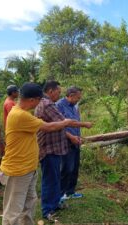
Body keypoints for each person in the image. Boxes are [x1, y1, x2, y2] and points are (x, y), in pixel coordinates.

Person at [0, 82, 83, 225]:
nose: (40, 104)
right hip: (18, 170)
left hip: (28, 167)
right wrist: (66, 122)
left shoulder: (23, 113)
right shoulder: (20, 115)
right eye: (39, 100)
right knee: (13, 210)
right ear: (33, 100)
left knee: (29, 203)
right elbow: (48, 127)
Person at [34, 81, 92, 221]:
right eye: (58, 91)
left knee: (55, 178)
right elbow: (64, 122)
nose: (60, 94)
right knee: (52, 179)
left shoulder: (53, 104)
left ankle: (55, 204)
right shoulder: (49, 105)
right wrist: (84, 125)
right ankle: (47, 209)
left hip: (56, 147)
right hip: (50, 148)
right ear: (51, 91)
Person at [57, 87, 93, 201]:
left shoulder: (75, 107)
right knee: (66, 169)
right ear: (71, 95)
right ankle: (60, 195)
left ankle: (70, 192)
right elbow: (58, 126)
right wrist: (71, 137)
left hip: (76, 142)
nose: (79, 100)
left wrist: (78, 136)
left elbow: (75, 123)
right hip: (65, 142)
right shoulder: (59, 106)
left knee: (75, 168)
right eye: (78, 97)